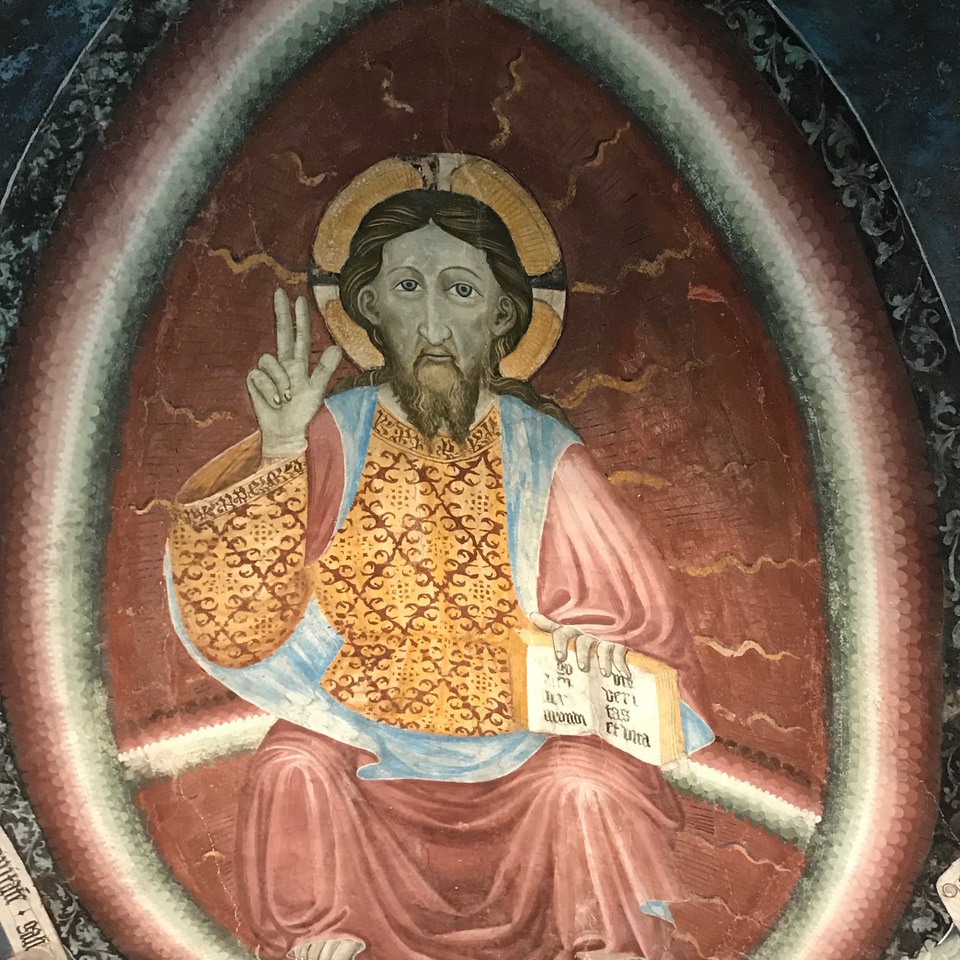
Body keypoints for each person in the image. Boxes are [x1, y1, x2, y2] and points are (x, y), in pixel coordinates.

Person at [166, 183, 712, 960]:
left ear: (501, 316)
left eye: (459, 291)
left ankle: (600, 944)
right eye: (405, 288)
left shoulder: (544, 454)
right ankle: (318, 932)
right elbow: (243, 617)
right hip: (365, 738)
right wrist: (284, 449)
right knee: (295, 763)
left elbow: (642, 633)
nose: (430, 323)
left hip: (525, 749)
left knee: (586, 785)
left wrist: (597, 658)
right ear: (369, 309)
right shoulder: (332, 436)